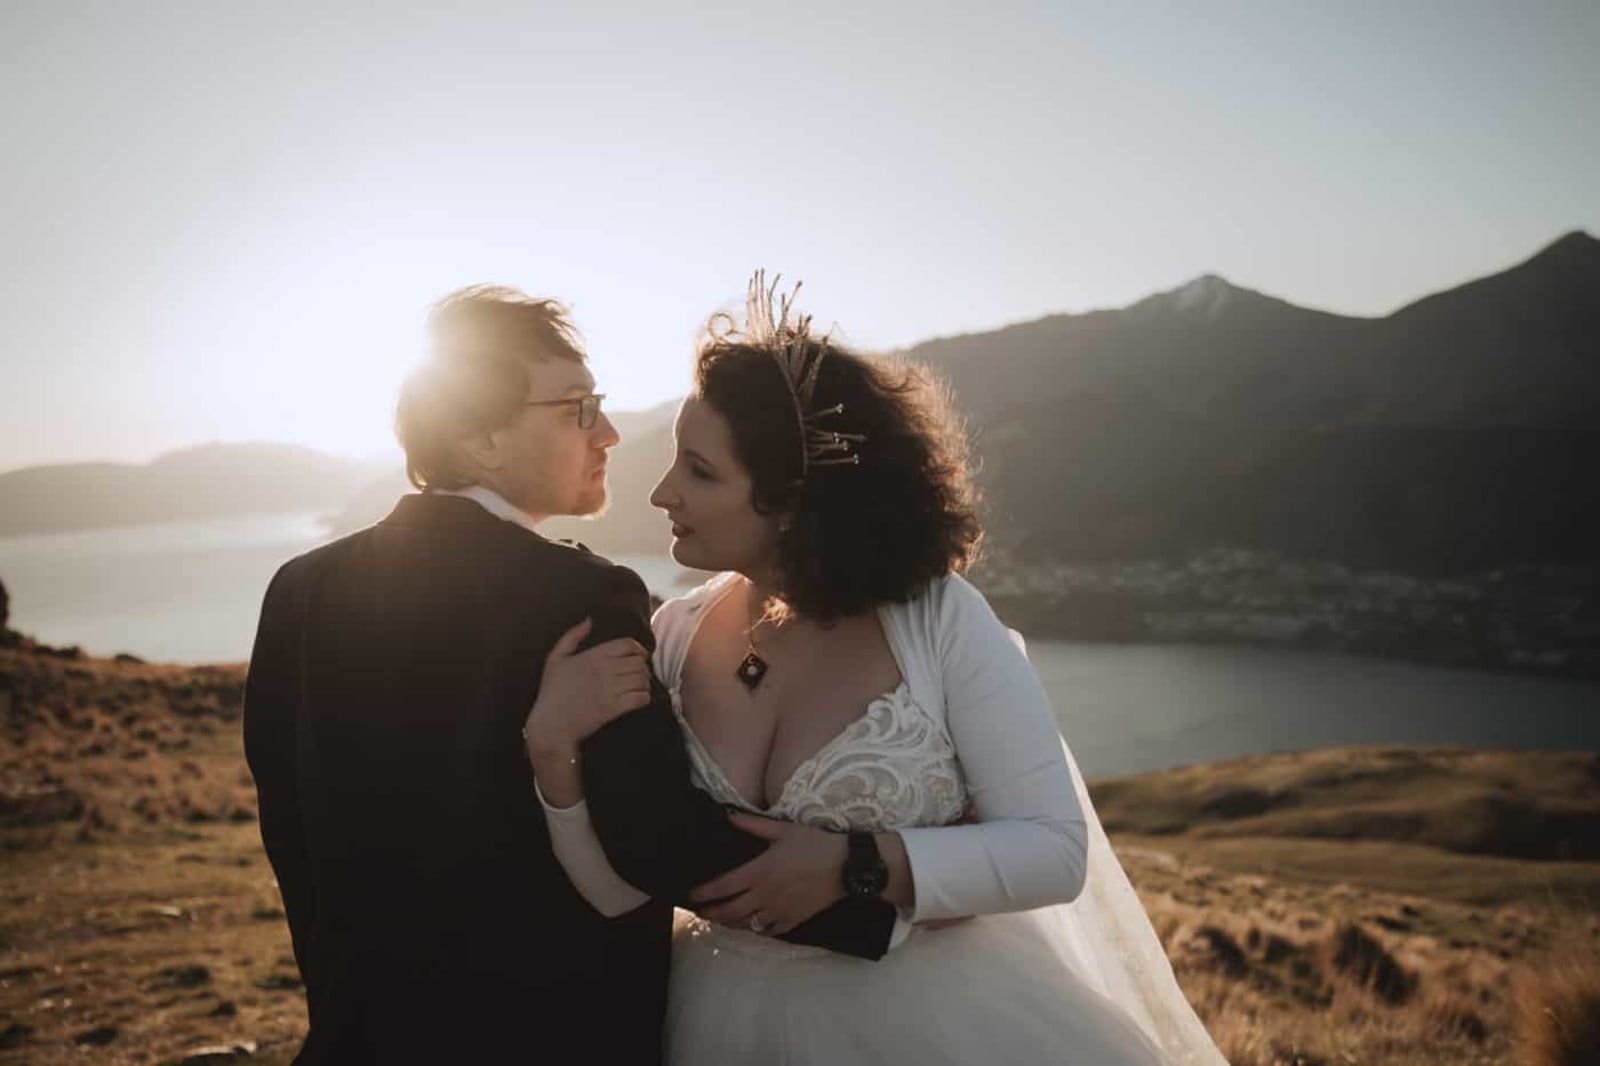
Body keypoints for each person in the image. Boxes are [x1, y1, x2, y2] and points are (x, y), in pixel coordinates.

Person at [525, 276, 1230, 1064]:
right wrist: (554, 758)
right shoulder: (674, 634)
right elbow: (619, 891)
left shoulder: (940, 622)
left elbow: (1054, 851)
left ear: (792, 501)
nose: (662, 493)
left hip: (937, 1022)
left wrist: (859, 865)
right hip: (708, 1020)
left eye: (700, 471)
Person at [242, 285, 895, 1065]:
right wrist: (874, 898)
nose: (608, 433)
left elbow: (292, 837)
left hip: (361, 1033)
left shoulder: (299, 590)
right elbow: (653, 839)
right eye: (576, 409)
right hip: (555, 1036)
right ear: (483, 438)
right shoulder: (578, 597)